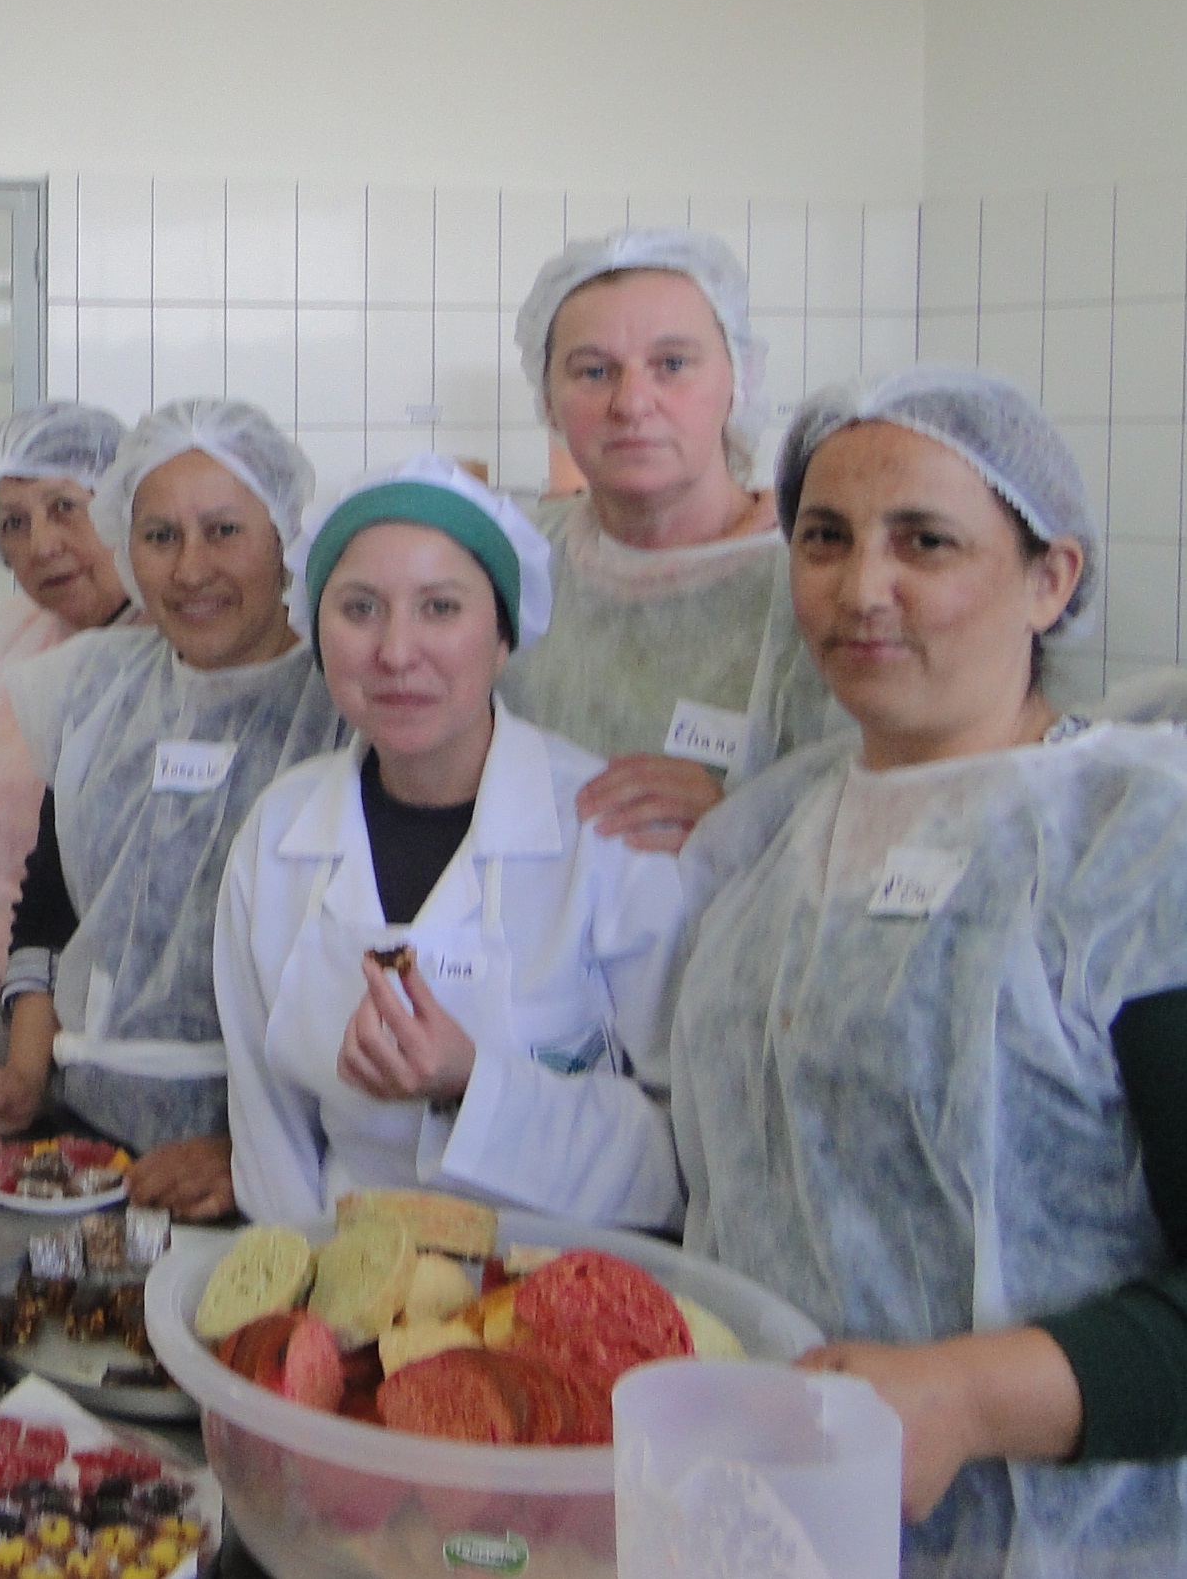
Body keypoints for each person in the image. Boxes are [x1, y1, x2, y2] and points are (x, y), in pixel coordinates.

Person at [671, 365, 1187, 1574]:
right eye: (824, 538)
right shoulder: (771, 832)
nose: (862, 589)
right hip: (768, 1517)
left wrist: (967, 1395)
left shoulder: (1134, 849)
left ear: (1049, 579)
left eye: (924, 541)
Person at [214, 453, 691, 1231]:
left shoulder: (606, 834)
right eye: (359, 608)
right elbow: (267, 1127)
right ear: (316, 631)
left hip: (568, 1271)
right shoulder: (277, 835)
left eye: (439, 608)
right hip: (339, 1261)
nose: (396, 652)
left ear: (502, 636)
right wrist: (308, 1280)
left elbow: (685, 1156)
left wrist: (474, 1087)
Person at [0, 399, 347, 1218]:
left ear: (283, 537)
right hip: (86, 1144)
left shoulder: (341, 710)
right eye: (160, 536)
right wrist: (25, 1075)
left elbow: (366, 974)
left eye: (223, 531)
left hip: (272, 1170)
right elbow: (48, 908)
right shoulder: (95, 690)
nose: (190, 570)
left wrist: (251, 1147)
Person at [502, 230, 839, 852]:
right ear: (548, 400)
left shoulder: (822, 582)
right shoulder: (514, 563)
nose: (632, 404)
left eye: (673, 365)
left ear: (738, 380)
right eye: (594, 371)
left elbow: (897, 811)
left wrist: (741, 829)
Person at [0, 400, 133, 998]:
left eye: (64, 507)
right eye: (13, 523)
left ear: (123, 505)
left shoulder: (173, 653)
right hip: (0, 1004)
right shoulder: (10, 638)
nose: (41, 545)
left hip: (110, 1021)